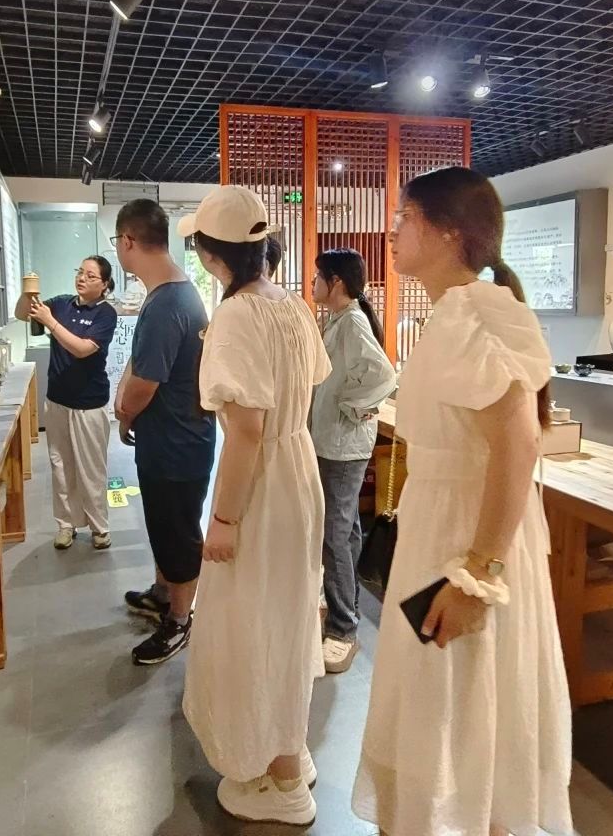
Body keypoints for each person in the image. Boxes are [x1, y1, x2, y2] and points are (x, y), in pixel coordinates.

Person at [354, 167, 572, 836]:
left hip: (464, 536)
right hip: (447, 523)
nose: (392, 231)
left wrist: (478, 572)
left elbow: (519, 442)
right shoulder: (460, 311)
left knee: (461, 694)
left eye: (405, 217)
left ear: (449, 232)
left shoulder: (471, 312)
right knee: (462, 695)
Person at [180, 185, 331, 826]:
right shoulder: (292, 303)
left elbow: (245, 430)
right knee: (286, 613)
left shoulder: (237, 316)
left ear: (213, 256)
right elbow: (307, 388)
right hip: (297, 470)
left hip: (263, 480)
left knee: (251, 621)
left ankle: (283, 779)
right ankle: (288, 747)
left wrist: (223, 519)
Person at [112, 199, 216, 665]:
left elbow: (144, 383)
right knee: (163, 525)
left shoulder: (167, 302)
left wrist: (124, 413)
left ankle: (179, 619)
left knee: (178, 534)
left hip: (177, 444)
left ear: (127, 241)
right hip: (174, 439)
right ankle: (162, 592)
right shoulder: (172, 293)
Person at [309, 248, 395, 675]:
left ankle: (344, 628)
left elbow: (384, 375)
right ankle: (344, 603)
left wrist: (352, 406)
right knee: (344, 530)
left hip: (343, 446)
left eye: (317, 277)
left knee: (335, 534)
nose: (312, 284)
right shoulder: (340, 319)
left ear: (336, 282)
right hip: (332, 442)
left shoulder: (353, 322)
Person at [15, 256, 117, 550]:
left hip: (89, 403)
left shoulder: (105, 314)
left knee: (91, 468)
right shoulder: (61, 303)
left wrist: (50, 322)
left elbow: (82, 349)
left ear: (104, 284)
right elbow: (22, 314)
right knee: (60, 465)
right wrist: (28, 293)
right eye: (80, 272)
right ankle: (65, 525)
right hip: (57, 400)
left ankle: (99, 527)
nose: (82, 278)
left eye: (90, 275)